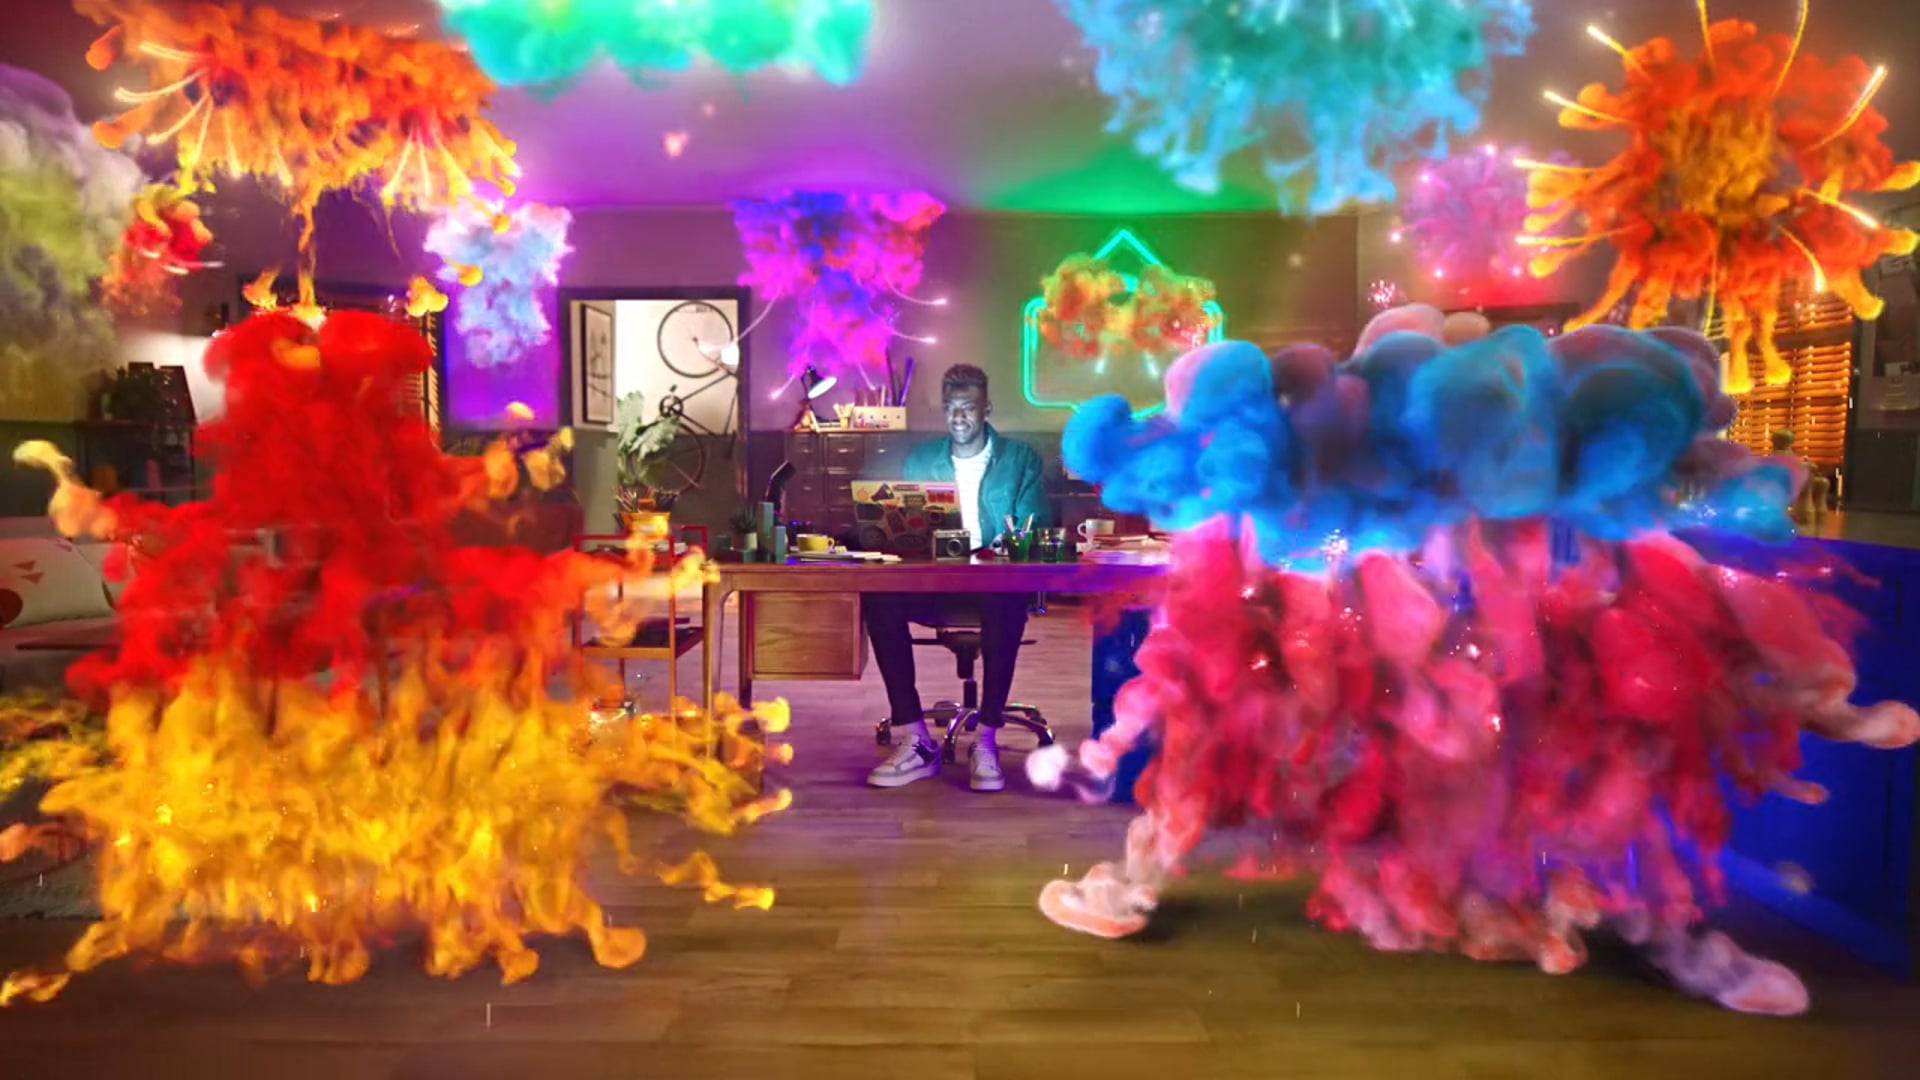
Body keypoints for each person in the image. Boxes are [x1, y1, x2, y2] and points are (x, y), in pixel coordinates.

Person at [863, 364, 1050, 791]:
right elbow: (904, 529)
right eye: (950, 408)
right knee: (879, 597)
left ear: (987, 408)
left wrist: (1001, 550)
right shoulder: (921, 459)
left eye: (968, 407)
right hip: (935, 581)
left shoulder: (1019, 459)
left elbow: (1035, 524)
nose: (958, 417)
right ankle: (916, 738)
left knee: (1005, 602)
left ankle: (986, 738)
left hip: (994, 582)